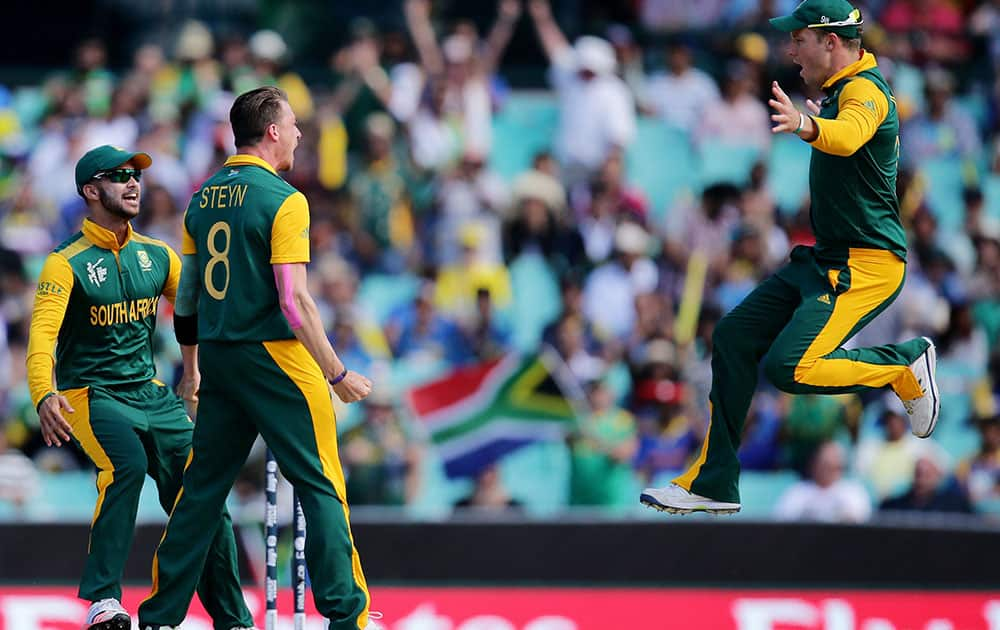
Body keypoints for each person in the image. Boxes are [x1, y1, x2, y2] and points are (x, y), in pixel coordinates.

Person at [641, 0, 940, 515]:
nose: (790, 48)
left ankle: (901, 364)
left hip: (865, 266)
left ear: (830, 42)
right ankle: (714, 482)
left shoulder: (866, 90)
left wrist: (806, 124)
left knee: (790, 368)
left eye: (798, 37)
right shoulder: (841, 90)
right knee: (733, 336)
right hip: (825, 260)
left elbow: (846, 138)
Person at [136, 87, 382, 630]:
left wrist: (192, 369)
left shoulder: (201, 199)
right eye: (292, 125)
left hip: (220, 359)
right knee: (320, 484)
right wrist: (336, 372)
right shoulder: (285, 199)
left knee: (201, 491)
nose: (298, 134)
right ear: (272, 131)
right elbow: (294, 302)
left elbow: (190, 299)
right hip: (278, 359)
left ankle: (156, 617)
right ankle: (347, 616)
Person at [26, 145, 254, 630]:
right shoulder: (64, 263)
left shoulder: (157, 255)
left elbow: (195, 311)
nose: (133, 183)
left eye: (136, 175)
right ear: (91, 190)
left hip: (151, 393)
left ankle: (234, 619)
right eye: (118, 176)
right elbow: (42, 337)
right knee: (125, 466)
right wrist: (44, 394)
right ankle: (103, 601)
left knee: (205, 491)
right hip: (92, 395)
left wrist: (193, 371)